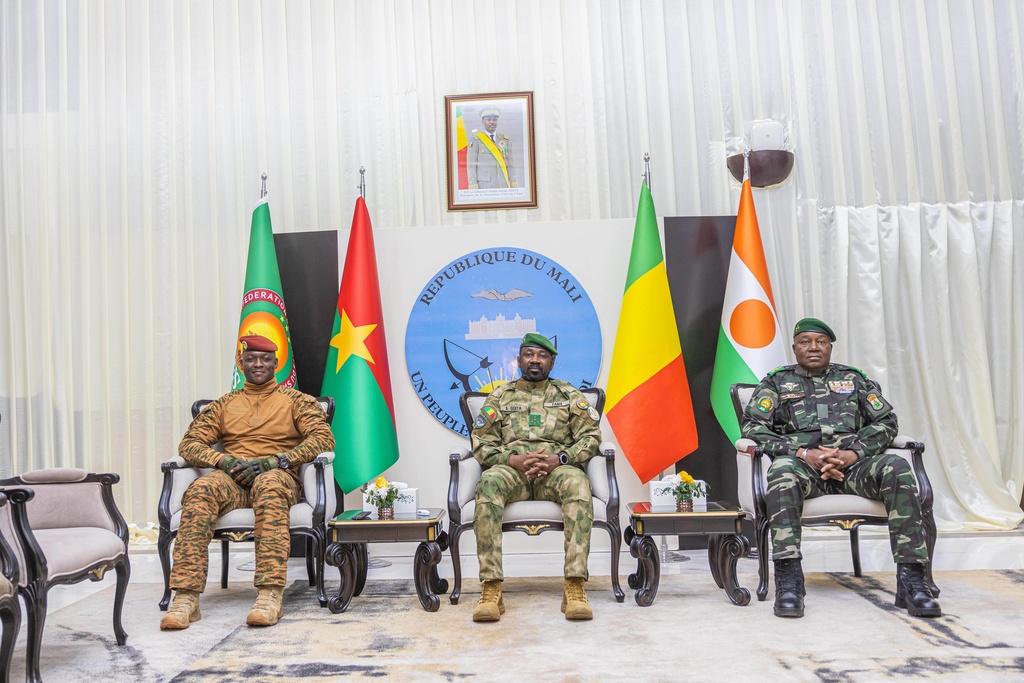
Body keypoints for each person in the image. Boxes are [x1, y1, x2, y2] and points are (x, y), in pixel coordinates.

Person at [742, 317, 941, 619]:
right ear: (794, 348)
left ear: (830, 347)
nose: (813, 348)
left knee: (897, 466)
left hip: (854, 469)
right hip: (804, 469)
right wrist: (802, 453)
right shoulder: (776, 382)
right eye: (805, 342)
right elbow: (753, 427)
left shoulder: (854, 379)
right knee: (782, 472)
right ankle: (789, 581)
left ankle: (912, 581)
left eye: (821, 342)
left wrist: (853, 453)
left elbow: (886, 421)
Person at [160, 334, 335, 630]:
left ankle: (269, 595)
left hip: (279, 477)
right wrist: (223, 461)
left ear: (276, 363)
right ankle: (186, 597)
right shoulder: (223, 405)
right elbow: (189, 444)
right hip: (234, 480)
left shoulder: (298, 401)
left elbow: (323, 438)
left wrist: (276, 461)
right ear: (241, 364)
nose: (258, 364)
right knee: (201, 489)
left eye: (265, 359)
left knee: (269, 485)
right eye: (251, 359)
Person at [470, 332, 602, 622]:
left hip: (556, 471)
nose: (535, 360)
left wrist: (560, 459)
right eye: (529, 354)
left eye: (542, 356)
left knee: (578, 483)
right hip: (513, 472)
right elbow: (481, 443)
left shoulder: (568, 394)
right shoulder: (500, 396)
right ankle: (491, 589)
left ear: (551, 363)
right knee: (489, 483)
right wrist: (512, 460)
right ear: (518, 360)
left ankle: (574, 587)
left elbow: (591, 437)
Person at [466, 106, 517, 190]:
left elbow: (511, 163)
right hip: (484, 186)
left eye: (494, 119)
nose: (492, 122)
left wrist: (513, 182)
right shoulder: (476, 140)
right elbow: (471, 165)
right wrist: (473, 184)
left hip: (503, 184)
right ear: (483, 122)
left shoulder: (505, 140)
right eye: (488, 119)